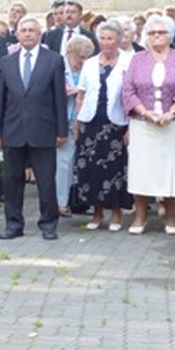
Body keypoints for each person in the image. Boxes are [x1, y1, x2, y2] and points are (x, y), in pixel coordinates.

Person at [121, 14, 175, 235]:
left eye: (161, 32)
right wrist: (145, 113)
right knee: (142, 172)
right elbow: (127, 90)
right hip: (142, 124)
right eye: (152, 33)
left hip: (171, 124)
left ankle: (171, 217)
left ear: (170, 35)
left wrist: (171, 112)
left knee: (170, 171)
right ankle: (140, 216)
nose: (157, 36)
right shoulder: (137, 59)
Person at [0, 16, 68, 240]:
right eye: (23, 30)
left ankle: (48, 224)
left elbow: (59, 98)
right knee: (12, 181)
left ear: (40, 35)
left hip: (43, 130)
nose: (27, 34)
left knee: (46, 181)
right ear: (17, 34)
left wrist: (62, 131)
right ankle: (13, 225)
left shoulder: (53, 60)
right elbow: (1, 100)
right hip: (13, 129)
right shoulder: (7, 62)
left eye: (31, 30)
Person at [74, 20, 134, 231]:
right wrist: (77, 124)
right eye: (103, 38)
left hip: (116, 124)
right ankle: (97, 213)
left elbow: (132, 96)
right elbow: (80, 95)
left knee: (114, 169)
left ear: (119, 40)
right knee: (91, 169)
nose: (106, 43)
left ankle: (116, 214)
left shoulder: (129, 61)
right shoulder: (90, 63)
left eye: (110, 39)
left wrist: (130, 127)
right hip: (90, 123)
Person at [57, 35, 94, 216]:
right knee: (64, 162)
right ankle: (61, 202)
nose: (83, 61)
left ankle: (80, 201)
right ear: (71, 53)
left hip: (83, 120)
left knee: (81, 162)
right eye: (80, 57)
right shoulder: (58, 66)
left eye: (86, 57)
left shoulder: (88, 69)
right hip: (63, 120)